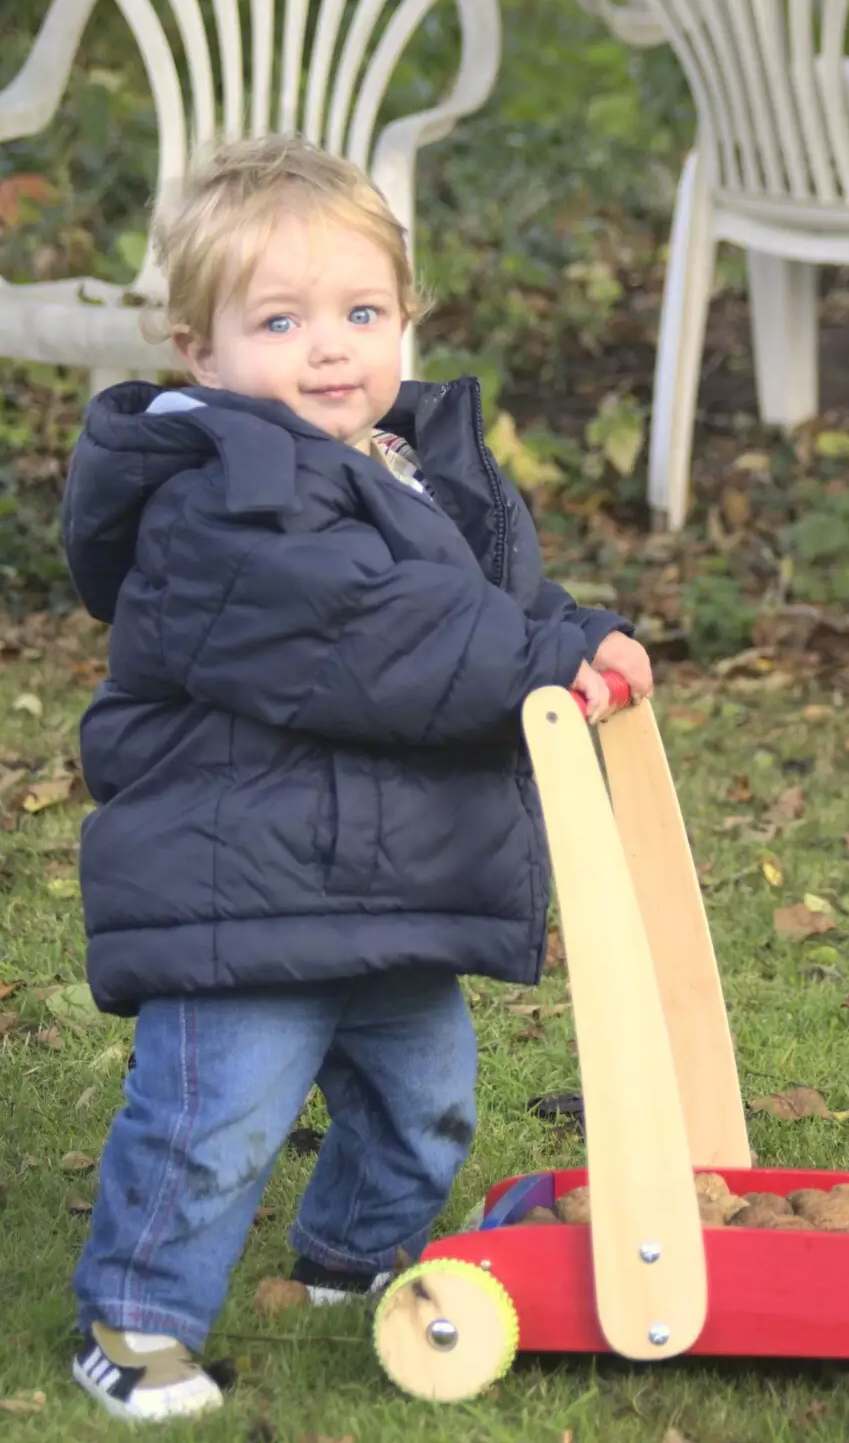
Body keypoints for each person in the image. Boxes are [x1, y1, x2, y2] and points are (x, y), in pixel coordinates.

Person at [60, 134, 653, 1421]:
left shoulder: (409, 464)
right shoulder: (222, 502)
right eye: (279, 319)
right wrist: (542, 653)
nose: (329, 346)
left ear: (405, 319)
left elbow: (485, 601)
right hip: (245, 885)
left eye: (360, 312)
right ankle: (136, 1319)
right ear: (199, 353)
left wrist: (576, 625)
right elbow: (381, 638)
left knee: (423, 1098)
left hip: (388, 876)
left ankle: (351, 1260)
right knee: (211, 1123)